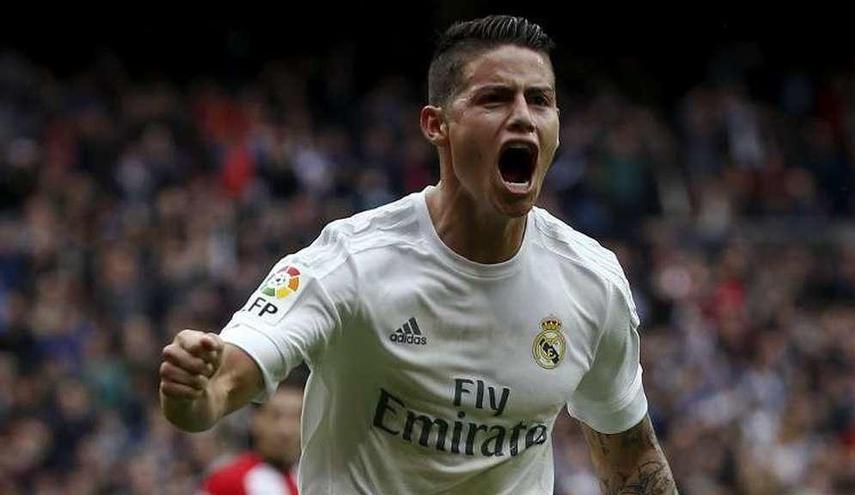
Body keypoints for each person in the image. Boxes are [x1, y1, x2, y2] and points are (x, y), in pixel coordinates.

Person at [160, 15, 677, 494]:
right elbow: (224, 381)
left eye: (539, 100)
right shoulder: (350, 263)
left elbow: (632, 460)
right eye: (494, 99)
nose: (522, 117)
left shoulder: (591, 282)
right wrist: (194, 396)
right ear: (436, 124)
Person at [201, 385, 303, 495]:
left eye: (296, 417)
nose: (286, 429)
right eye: (275, 416)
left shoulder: (313, 478)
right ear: (255, 420)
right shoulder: (228, 481)